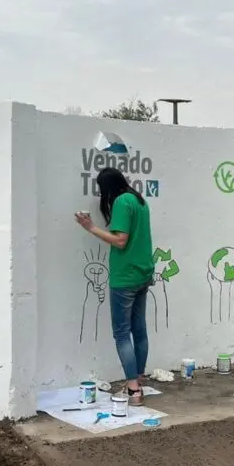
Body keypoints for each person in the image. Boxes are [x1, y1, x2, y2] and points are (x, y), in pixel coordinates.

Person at [75, 166, 155, 406]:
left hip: (125, 276)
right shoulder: (140, 201)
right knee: (138, 329)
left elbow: (120, 241)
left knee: (122, 333)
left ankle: (133, 391)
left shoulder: (121, 202)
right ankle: (138, 380)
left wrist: (90, 227)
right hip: (143, 273)